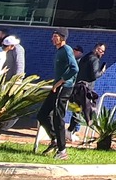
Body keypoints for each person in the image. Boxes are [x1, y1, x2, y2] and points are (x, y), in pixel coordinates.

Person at [36, 29, 78, 161]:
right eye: (53, 36)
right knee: (42, 115)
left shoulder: (66, 49)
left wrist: (60, 82)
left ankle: (62, 151)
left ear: (62, 38)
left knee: (58, 117)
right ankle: (54, 139)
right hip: (57, 87)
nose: (52, 39)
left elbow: (75, 68)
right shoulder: (59, 51)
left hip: (63, 88)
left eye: (55, 36)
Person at [70, 42, 107, 141]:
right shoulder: (94, 59)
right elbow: (94, 75)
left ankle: (70, 131)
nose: (102, 53)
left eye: (103, 51)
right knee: (85, 111)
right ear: (97, 49)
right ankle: (71, 131)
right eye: (101, 50)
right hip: (85, 89)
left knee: (78, 110)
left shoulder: (86, 57)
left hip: (78, 86)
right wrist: (102, 72)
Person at [0, 36, 26, 131]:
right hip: (2, 81)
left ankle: (6, 126)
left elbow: (20, 65)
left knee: (11, 104)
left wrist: (17, 81)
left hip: (12, 82)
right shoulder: (1, 49)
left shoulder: (18, 49)